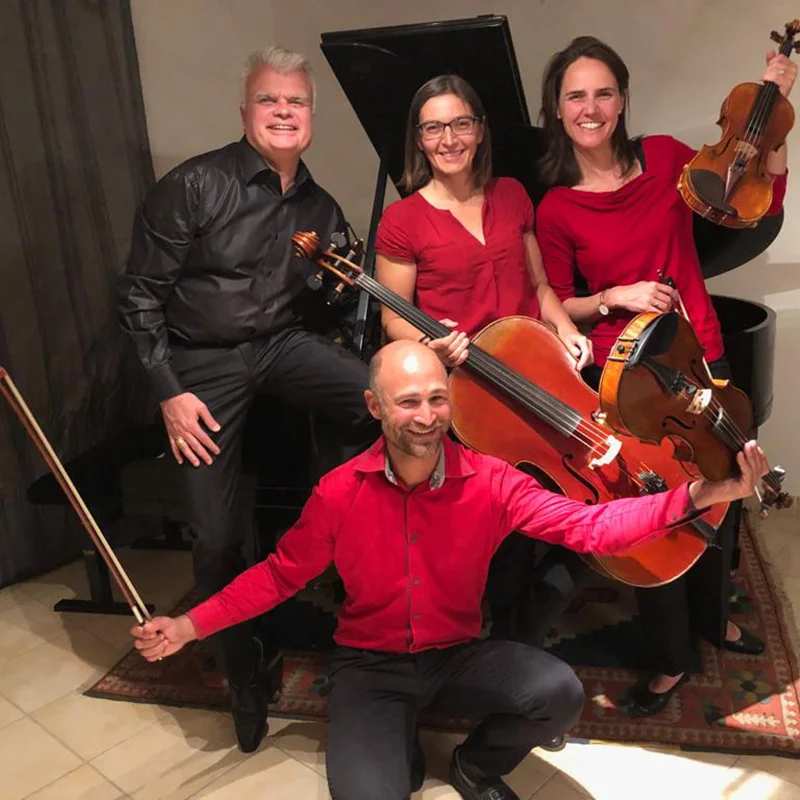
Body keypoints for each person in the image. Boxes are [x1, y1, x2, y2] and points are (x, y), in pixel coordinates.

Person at [131, 340, 768, 800]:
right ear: (375, 407)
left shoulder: (491, 481)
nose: (428, 415)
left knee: (558, 693)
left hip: (456, 655)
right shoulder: (336, 493)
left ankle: (474, 767)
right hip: (369, 667)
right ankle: (396, 739)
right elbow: (276, 576)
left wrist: (701, 496)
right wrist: (190, 625)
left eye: (438, 398)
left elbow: (590, 527)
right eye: (408, 401)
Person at [117, 45, 377, 752]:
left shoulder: (320, 206)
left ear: (311, 116)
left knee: (381, 397)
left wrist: (338, 290)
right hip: (203, 362)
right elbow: (138, 297)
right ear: (246, 111)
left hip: (281, 346)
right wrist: (170, 393)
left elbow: (322, 302)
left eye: (295, 102)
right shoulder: (195, 186)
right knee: (215, 535)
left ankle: (351, 519)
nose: (284, 112)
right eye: (270, 100)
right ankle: (243, 673)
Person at [533, 35, 796, 716]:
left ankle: (714, 621)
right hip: (630, 381)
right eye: (575, 96)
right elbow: (557, 302)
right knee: (653, 513)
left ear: (621, 100)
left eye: (603, 92)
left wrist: (775, 112)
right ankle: (671, 657)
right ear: (556, 110)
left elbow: (755, 201)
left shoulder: (668, 162)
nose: (590, 107)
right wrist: (614, 295)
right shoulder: (557, 205)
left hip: (702, 352)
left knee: (724, 493)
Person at [373, 74, 592, 654]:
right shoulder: (403, 220)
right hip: (468, 385)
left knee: (574, 511)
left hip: (536, 374)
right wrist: (431, 344)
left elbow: (541, 284)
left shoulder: (514, 195)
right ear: (419, 139)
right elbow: (393, 320)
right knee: (501, 526)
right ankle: (507, 647)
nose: (449, 138)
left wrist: (567, 328)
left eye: (461, 123)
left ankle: (522, 637)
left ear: (479, 130)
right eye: (435, 127)